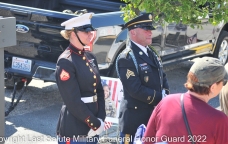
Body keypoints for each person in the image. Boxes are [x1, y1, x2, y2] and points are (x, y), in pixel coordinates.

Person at [143, 57, 228, 144]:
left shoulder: (166, 102)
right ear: (213, 87)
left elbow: (147, 140)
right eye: (223, 82)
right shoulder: (219, 120)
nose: (223, 86)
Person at [116, 13, 170, 144]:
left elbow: (162, 76)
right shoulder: (126, 57)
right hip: (134, 120)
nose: (150, 32)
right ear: (133, 32)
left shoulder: (151, 52)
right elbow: (135, 89)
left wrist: (166, 95)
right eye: (146, 29)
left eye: (150, 29)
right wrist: (161, 98)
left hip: (152, 117)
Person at [55, 13, 106, 144]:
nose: (90, 34)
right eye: (85, 31)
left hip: (94, 125)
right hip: (75, 128)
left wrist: (101, 118)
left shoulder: (90, 56)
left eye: (90, 31)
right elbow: (73, 101)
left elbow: (99, 90)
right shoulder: (66, 61)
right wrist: (94, 123)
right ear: (72, 33)